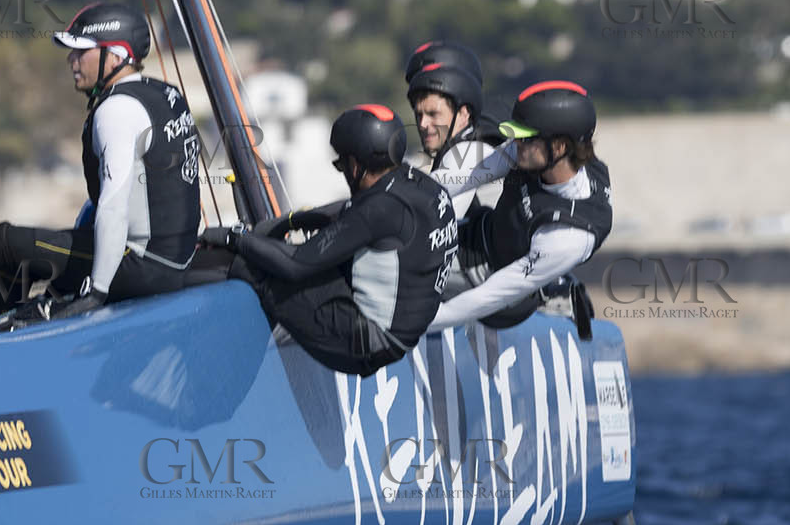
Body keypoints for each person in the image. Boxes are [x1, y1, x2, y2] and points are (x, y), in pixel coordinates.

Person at [0, 1, 201, 328]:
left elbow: (113, 208)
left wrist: (96, 293)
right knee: (59, 242)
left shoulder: (116, 110)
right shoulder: (166, 94)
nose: (71, 60)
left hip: (139, 269)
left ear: (117, 56)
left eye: (81, 52)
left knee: (3, 244)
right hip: (176, 261)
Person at [201, 104, 458, 376]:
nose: (343, 172)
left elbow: (295, 264)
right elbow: (350, 214)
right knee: (279, 255)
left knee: (253, 269)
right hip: (397, 334)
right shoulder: (420, 185)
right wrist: (295, 220)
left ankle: (216, 384)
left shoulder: (378, 209)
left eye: (341, 164)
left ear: (356, 165)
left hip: (364, 344)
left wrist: (233, 237)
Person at [427, 80, 612, 332]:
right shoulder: (540, 153)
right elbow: (457, 180)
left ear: (559, 147)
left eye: (525, 138)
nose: (516, 143)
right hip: (479, 233)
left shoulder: (568, 236)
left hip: (496, 288)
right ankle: (555, 280)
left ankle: (552, 282)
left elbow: (487, 297)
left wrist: (411, 328)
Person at [406, 59, 490, 216]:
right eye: (419, 115)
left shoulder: (465, 154)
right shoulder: (453, 149)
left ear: (463, 114)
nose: (423, 124)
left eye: (433, 114)